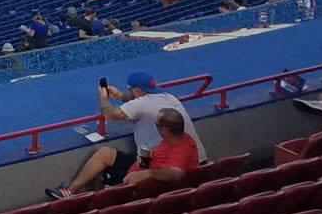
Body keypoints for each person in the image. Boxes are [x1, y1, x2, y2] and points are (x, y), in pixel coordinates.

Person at [47, 72, 207, 199]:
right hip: (178, 162)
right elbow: (141, 99)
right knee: (106, 154)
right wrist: (121, 96)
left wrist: (103, 97)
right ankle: (80, 193)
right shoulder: (169, 99)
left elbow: (110, 114)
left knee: (104, 157)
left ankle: (79, 195)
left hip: (153, 172)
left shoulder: (142, 105)